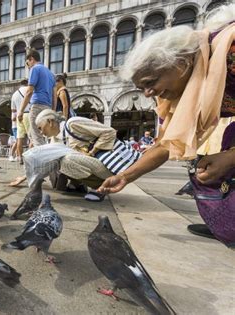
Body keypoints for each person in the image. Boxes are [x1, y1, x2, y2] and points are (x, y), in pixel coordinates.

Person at [97, 5, 235, 246]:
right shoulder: (180, 90)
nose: (150, 93)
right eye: (142, 89)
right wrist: (125, 176)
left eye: (151, 82)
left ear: (180, 62)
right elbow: (164, 144)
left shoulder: (229, 53)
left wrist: (232, 157)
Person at [35, 109, 141, 201]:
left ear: (50, 122)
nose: (40, 132)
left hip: (111, 164)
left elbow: (109, 132)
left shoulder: (72, 123)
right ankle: (78, 185)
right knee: (57, 159)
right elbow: (46, 164)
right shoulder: (54, 141)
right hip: (95, 165)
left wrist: (93, 151)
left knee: (66, 160)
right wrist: (26, 177)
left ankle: (101, 188)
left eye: (40, 128)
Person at [17, 49, 56, 147]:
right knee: (41, 136)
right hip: (47, 107)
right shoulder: (51, 74)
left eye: (27, 63)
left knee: (36, 137)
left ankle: (42, 161)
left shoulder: (35, 69)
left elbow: (29, 91)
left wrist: (21, 111)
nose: (28, 66)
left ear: (31, 59)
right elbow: (54, 96)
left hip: (37, 105)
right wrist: (53, 111)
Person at [11, 79, 30, 163]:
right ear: (27, 83)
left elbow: (13, 110)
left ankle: (20, 158)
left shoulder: (15, 94)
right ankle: (30, 157)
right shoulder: (29, 90)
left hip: (19, 116)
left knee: (19, 138)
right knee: (31, 137)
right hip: (28, 113)